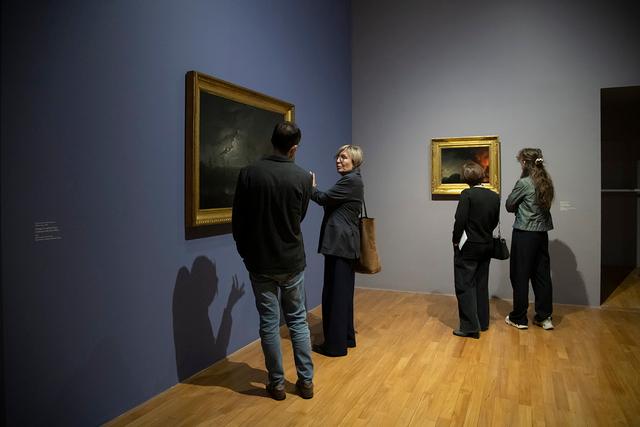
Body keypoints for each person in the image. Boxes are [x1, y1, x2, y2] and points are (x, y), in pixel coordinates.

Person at [232, 121, 314, 400]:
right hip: (292, 261)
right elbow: (299, 217)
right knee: (298, 322)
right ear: (294, 148)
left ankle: (277, 384)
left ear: (272, 141)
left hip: (260, 262)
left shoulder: (249, 173)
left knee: (269, 323)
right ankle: (306, 382)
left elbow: (238, 221)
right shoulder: (302, 177)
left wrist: (246, 253)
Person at [310, 145, 364, 357]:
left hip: (339, 245)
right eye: (338, 157)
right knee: (342, 294)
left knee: (335, 295)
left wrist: (311, 187)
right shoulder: (353, 180)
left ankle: (334, 346)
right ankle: (346, 338)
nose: (339, 161)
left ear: (354, 161)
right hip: (344, 245)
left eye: (344, 157)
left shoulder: (350, 181)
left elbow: (322, 198)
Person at [504, 148, 555, 330]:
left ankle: (519, 318)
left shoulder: (524, 183)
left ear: (525, 163)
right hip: (542, 234)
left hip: (524, 234)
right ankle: (544, 317)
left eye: (521, 162)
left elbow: (509, 205)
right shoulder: (546, 181)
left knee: (520, 275)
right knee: (542, 275)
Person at [452, 162, 500, 339]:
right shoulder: (494, 196)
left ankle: (470, 327)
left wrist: (455, 240)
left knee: (464, 285)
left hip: (469, 246)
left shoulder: (467, 194)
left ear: (465, 177)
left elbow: (460, 220)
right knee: (481, 284)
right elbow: (494, 221)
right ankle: (483, 322)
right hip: (487, 244)